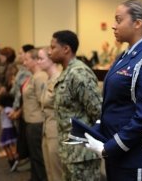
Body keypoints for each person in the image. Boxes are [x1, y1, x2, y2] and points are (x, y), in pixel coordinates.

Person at [84, 0, 142, 181]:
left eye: (118, 20)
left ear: (137, 23)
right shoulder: (125, 56)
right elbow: (114, 104)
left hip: (133, 156)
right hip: (116, 153)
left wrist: (111, 147)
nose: (113, 26)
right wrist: (95, 130)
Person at [49, 30, 102, 180]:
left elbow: (98, 111)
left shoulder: (79, 73)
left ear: (66, 49)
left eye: (53, 47)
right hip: (69, 152)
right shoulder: (67, 72)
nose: (49, 52)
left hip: (82, 154)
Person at [37, 47, 63, 181]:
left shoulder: (59, 79)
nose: (38, 62)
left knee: (57, 174)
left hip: (56, 132)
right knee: (49, 172)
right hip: (47, 130)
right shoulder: (48, 79)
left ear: (51, 59)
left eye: (41, 58)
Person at [22, 48, 48, 181]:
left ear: (36, 60)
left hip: (37, 124)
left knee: (39, 158)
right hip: (30, 122)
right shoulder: (33, 76)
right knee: (34, 156)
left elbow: (44, 102)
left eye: (27, 59)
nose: (24, 62)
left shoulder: (41, 77)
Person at [8, 44, 34, 170]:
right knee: (22, 137)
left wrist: (18, 111)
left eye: (21, 53)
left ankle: (27, 161)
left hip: (25, 111)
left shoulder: (30, 72)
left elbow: (27, 97)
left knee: (27, 139)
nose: (19, 56)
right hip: (19, 108)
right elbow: (16, 92)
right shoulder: (22, 70)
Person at [0, 92, 18, 171]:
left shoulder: (7, 109)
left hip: (7, 129)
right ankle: (12, 159)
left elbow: (11, 116)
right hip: (7, 128)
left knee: (6, 145)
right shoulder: (5, 108)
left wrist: (11, 116)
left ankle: (12, 160)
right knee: (8, 145)